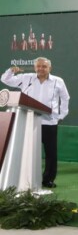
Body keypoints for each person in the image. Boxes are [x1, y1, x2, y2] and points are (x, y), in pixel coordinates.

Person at [1, 57, 70, 188]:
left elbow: (65, 98)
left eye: (44, 66)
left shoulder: (58, 81)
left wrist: (62, 114)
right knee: (27, 150)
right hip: (28, 121)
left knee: (50, 153)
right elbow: (5, 79)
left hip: (49, 122)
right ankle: (25, 178)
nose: (40, 69)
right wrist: (11, 71)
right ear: (35, 67)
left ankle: (48, 179)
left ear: (50, 68)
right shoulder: (26, 78)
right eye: (38, 66)